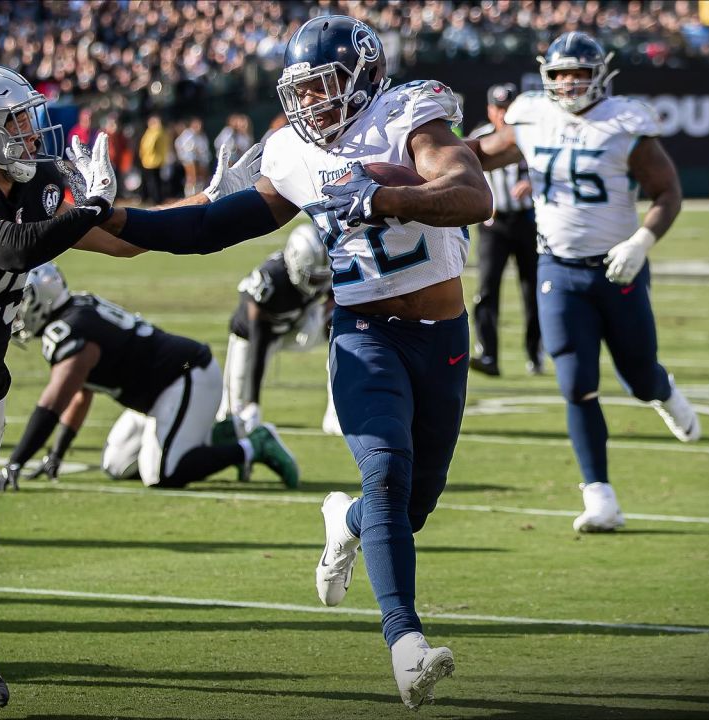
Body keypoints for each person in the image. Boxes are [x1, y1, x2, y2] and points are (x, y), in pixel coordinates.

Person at [93, 15, 493, 709]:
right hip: (363, 332)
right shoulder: (293, 153)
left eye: (324, 87)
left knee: (411, 503)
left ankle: (344, 523)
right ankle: (407, 645)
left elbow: (473, 196)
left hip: (443, 337)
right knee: (388, 473)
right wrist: (109, 218)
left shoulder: (410, 118)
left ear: (366, 75)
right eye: (301, 92)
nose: (311, 105)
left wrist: (387, 194)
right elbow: (209, 227)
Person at [0, 64, 257, 711]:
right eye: (14, 120)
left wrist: (210, 203)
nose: (31, 132)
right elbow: (6, 248)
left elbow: (125, 239)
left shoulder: (35, 185)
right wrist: (83, 208)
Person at [468, 32, 701, 533]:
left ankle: (663, 392)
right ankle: (600, 495)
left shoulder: (623, 122)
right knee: (575, 384)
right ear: (545, 77)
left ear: (601, 74)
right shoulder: (531, 117)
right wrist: (423, 146)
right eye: (559, 73)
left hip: (619, 267)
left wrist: (640, 242)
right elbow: (481, 155)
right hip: (558, 267)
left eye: (579, 72)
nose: (569, 83)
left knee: (638, 377)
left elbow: (668, 191)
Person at [0, 263, 299, 491]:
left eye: (23, 299)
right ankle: (221, 434)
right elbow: (79, 392)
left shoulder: (69, 331)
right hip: (157, 391)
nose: (18, 309)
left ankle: (253, 445)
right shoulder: (76, 312)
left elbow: (52, 402)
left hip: (185, 375)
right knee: (115, 465)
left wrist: (15, 462)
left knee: (163, 473)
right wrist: (56, 455)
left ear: (43, 298)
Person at [216, 224, 339, 438]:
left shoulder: (321, 267)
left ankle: (335, 415)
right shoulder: (271, 281)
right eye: (313, 279)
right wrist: (253, 401)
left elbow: (332, 299)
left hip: (295, 326)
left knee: (340, 326)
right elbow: (258, 340)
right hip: (253, 337)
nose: (317, 286)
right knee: (234, 412)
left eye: (322, 279)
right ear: (295, 262)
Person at [467, 83, 542, 377]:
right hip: (493, 225)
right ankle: (488, 354)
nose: (503, 114)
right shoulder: (479, 138)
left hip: (527, 221)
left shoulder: (532, 136)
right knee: (486, 290)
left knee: (532, 290)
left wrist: (534, 184)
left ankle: (535, 353)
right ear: (489, 110)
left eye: (508, 108)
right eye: (498, 108)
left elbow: (553, 168)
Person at [175, 117, 211, 197]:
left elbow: (204, 149)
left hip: (200, 160)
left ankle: (198, 194)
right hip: (190, 160)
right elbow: (181, 145)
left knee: (201, 179)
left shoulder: (202, 135)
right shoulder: (188, 134)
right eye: (197, 124)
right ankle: (189, 195)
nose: (199, 126)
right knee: (192, 178)